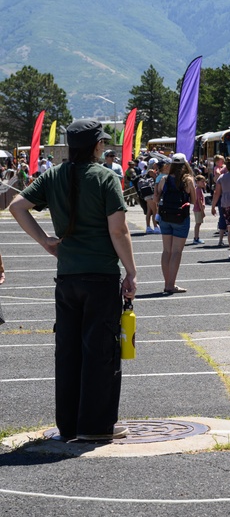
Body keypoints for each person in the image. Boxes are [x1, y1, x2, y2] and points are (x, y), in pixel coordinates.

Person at [8, 119, 137, 441]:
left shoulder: (53, 175)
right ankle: (95, 426)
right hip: (100, 275)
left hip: (67, 275)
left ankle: (69, 424)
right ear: (96, 146)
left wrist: (45, 241)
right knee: (100, 351)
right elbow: (118, 230)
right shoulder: (106, 178)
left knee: (67, 351)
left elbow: (17, 206)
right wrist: (132, 271)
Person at [155, 152, 196, 294]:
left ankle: (167, 283)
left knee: (166, 250)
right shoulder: (188, 180)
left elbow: (156, 198)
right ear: (185, 164)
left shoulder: (164, 179)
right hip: (181, 217)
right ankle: (171, 284)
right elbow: (193, 200)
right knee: (177, 251)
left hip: (165, 217)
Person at [140, 160, 160, 233]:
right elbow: (156, 180)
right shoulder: (151, 171)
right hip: (150, 193)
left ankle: (148, 227)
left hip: (146, 194)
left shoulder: (146, 171)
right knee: (155, 210)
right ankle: (155, 227)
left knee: (149, 211)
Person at [191, 174, 207, 243]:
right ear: (197, 182)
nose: (204, 183)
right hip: (198, 209)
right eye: (202, 182)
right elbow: (199, 201)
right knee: (198, 223)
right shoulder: (198, 190)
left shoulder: (199, 189)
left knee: (198, 223)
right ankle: (196, 238)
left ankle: (196, 237)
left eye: (204, 182)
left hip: (198, 209)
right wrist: (202, 211)